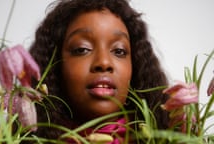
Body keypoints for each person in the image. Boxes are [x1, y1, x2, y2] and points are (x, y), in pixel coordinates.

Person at [26, 0, 169, 143]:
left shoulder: (172, 137)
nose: (104, 62)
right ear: (55, 67)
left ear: (136, 66)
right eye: (82, 49)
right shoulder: (17, 138)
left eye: (119, 51)